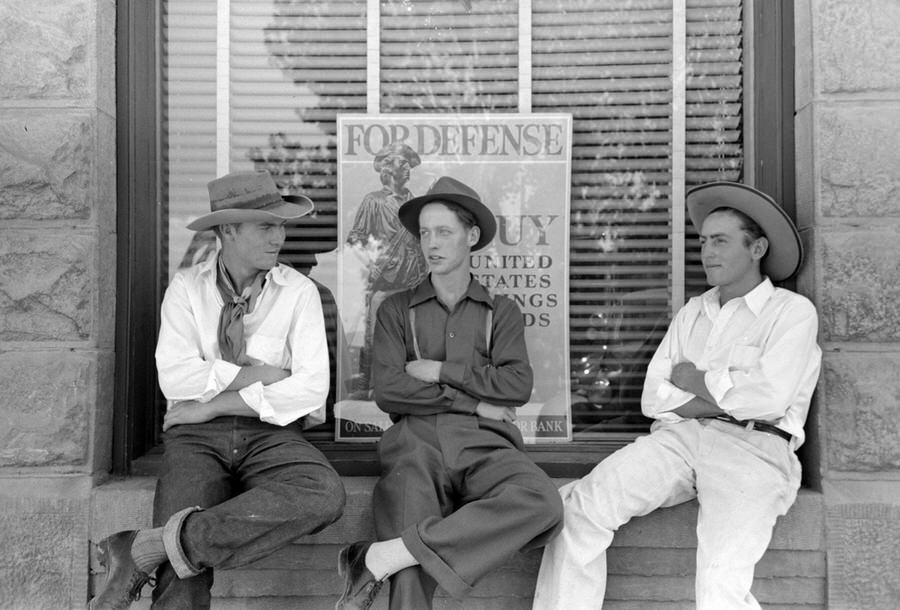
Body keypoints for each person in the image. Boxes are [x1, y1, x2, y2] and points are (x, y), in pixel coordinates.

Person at [532, 181, 822, 610]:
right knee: (579, 509)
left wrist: (694, 379)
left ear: (757, 248)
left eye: (721, 241)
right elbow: (654, 397)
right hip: (679, 440)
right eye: (704, 241)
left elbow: (769, 399)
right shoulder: (693, 312)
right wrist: (725, 389)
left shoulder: (791, 312)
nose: (707, 252)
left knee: (720, 581)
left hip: (755, 448)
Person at [89, 170, 346, 609]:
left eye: (282, 225)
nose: (279, 237)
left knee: (323, 494)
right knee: (181, 574)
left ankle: (144, 548)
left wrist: (213, 404)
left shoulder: (299, 293)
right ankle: (170, 546)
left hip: (270, 432)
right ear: (228, 229)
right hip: (195, 440)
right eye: (267, 226)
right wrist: (262, 374)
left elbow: (310, 389)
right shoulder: (188, 289)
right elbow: (176, 378)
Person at [335, 176, 564, 610]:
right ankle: (398, 557)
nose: (431, 244)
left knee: (542, 503)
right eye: (425, 233)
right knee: (408, 574)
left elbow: (516, 385)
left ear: (471, 236)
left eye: (444, 232)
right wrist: (476, 400)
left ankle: (379, 557)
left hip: (484, 444)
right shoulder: (395, 309)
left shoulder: (502, 311)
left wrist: (440, 369)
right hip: (415, 443)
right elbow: (389, 391)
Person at [345, 141, 428, 396]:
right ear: (386, 168)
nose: (406, 169)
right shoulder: (374, 201)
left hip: (414, 281)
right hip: (384, 281)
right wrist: (374, 261)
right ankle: (368, 387)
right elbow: (356, 240)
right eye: (400, 163)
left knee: (416, 340)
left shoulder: (416, 202)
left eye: (407, 164)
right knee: (374, 339)